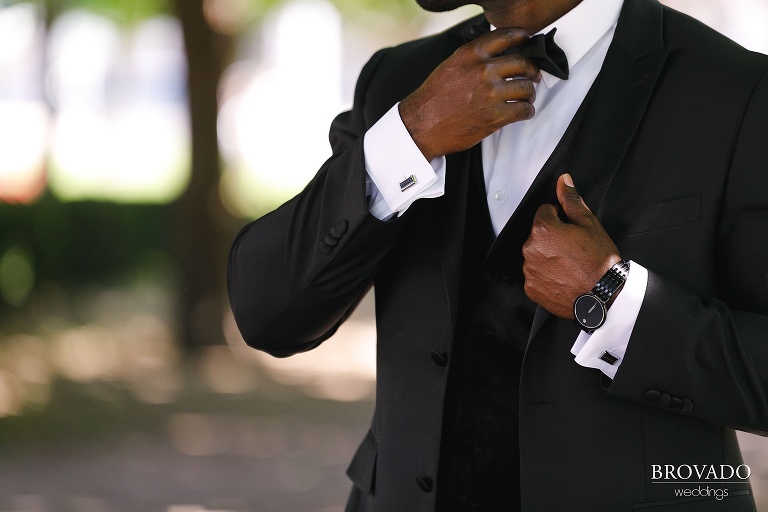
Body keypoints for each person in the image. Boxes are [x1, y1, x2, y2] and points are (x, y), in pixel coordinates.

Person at [227, 0, 768, 510]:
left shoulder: (734, 92)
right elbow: (267, 312)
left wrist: (611, 299)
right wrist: (410, 135)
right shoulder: (398, 81)